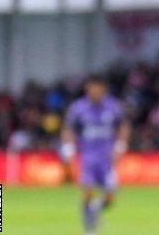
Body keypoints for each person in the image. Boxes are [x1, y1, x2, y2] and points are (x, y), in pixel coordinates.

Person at [60, 75, 130, 235]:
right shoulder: (78, 108)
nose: (95, 92)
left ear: (103, 89)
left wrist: (120, 145)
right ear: (87, 89)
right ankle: (89, 228)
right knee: (88, 191)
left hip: (107, 158)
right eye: (92, 88)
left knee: (110, 197)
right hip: (88, 157)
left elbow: (123, 126)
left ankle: (94, 210)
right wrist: (68, 148)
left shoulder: (113, 106)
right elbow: (68, 128)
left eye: (98, 88)